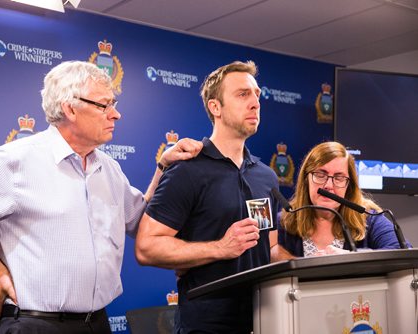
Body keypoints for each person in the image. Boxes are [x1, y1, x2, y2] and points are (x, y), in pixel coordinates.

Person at [0, 61, 202, 334]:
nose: (116, 114)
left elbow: (142, 223)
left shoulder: (109, 168)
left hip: (97, 322)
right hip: (36, 325)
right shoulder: (17, 160)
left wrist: (163, 167)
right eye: (105, 105)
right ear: (70, 109)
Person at [135, 60, 279, 333]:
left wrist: (317, 261)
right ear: (215, 107)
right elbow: (146, 247)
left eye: (257, 95)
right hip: (206, 326)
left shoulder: (265, 176)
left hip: (263, 322)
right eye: (242, 94)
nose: (255, 103)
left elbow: (268, 248)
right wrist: (220, 248)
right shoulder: (187, 171)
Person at [271, 141, 411, 260]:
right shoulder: (284, 221)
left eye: (339, 178)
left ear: (349, 186)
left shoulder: (369, 218)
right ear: (306, 180)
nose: (328, 186)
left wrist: (350, 257)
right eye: (320, 175)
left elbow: (402, 251)